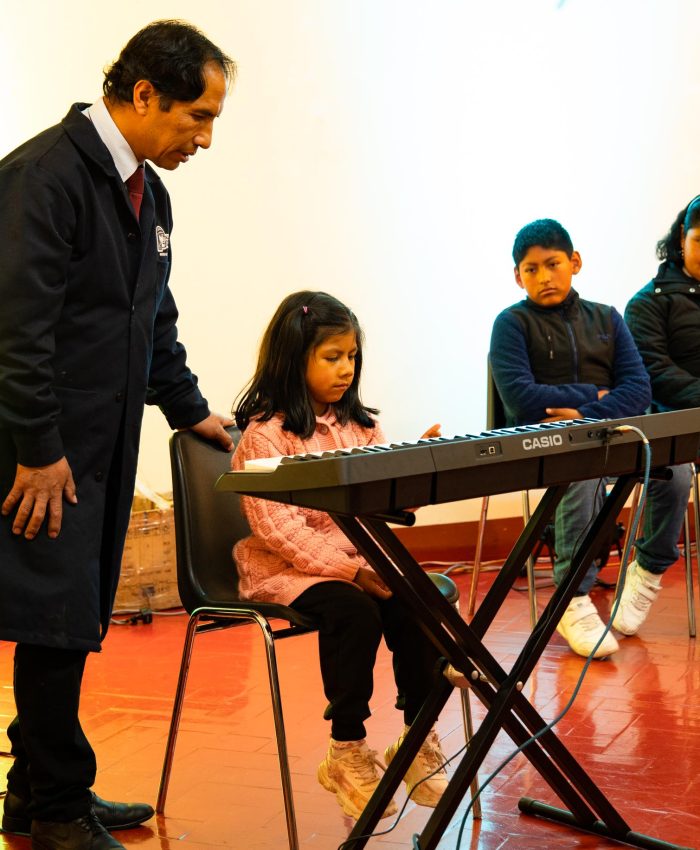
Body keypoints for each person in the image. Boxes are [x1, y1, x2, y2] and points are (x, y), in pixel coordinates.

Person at [0, 21, 236, 850]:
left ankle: (32, 796)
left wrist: (190, 408)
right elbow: (15, 330)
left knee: (67, 619)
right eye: (198, 116)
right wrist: (38, 450)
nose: (204, 139)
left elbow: (150, 318)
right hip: (43, 454)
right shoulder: (44, 178)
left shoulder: (148, 193)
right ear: (144, 94)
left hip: (100, 446)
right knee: (53, 622)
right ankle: (60, 810)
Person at [231, 290, 448, 820]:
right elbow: (279, 530)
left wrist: (415, 468)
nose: (346, 368)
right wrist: (350, 570)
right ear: (293, 358)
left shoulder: (361, 426)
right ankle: (347, 749)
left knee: (417, 600)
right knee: (355, 610)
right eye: (332, 357)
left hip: (357, 563)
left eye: (351, 356)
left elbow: (382, 504)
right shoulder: (264, 437)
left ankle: (418, 736)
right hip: (286, 570)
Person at [489, 219, 651, 659]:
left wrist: (585, 413)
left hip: (610, 438)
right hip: (543, 448)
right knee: (581, 470)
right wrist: (594, 394)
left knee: (673, 473)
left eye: (553, 264)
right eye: (531, 269)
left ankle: (648, 572)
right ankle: (572, 597)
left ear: (575, 262)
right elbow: (521, 399)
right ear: (517, 276)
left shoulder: (607, 317)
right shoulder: (510, 324)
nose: (543, 276)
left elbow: (639, 390)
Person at [620, 196, 700, 635]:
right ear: (680, 241)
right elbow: (656, 374)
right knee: (677, 473)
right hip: (673, 420)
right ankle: (648, 571)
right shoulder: (646, 304)